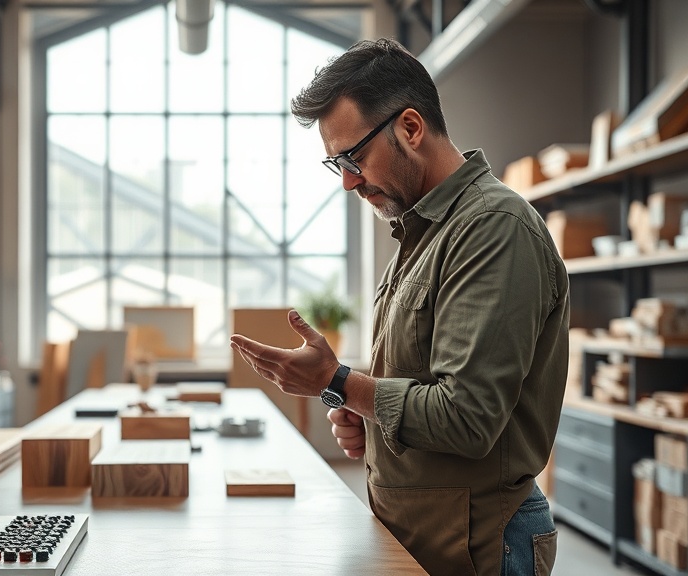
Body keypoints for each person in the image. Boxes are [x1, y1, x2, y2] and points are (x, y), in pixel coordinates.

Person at [229, 38, 569, 576]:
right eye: (335, 164)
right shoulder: (420, 236)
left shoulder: (492, 229)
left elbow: (467, 418)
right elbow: (419, 383)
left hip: (478, 540)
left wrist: (340, 382)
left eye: (354, 157)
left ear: (410, 128)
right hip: (421, 530)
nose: (347, 181)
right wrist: (364, 416)